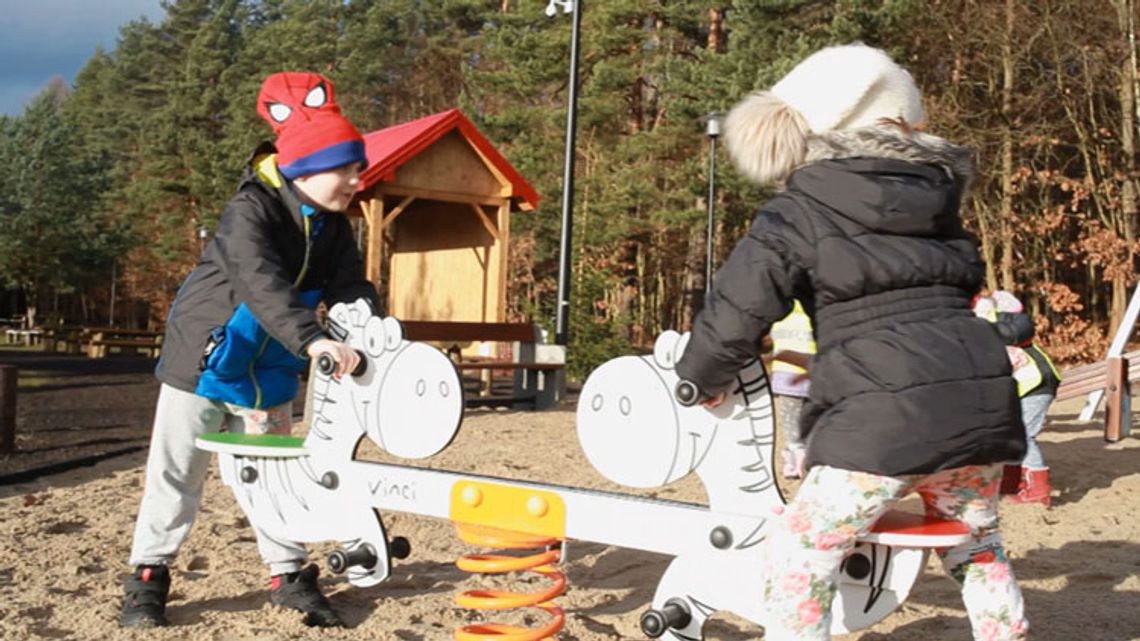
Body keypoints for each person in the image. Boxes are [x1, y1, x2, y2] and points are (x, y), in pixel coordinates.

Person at [674, 44, 1029, 640]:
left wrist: (700, 376)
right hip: (979, 399)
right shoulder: (940, 203)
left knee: (802, 548)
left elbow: (741, 303)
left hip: (882, 413)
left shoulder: (801, 208)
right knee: (976, 543)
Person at [119, 72, 379, 629]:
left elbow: (349, 286)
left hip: (273, 365)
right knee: (176, 471)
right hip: (206, 358)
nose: (358, 179)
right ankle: (149, 573)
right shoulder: (250, 211)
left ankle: (288, 573)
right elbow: (262, 285)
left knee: (274, 470)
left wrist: (373, 328)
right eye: (347, 168)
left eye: (358, 168)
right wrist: (313, 339)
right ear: (305, 167)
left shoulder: (334, 226)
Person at [974, 291, 1061, 505]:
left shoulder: (1000, 332)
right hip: (1028, 384)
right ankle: (1011, 482)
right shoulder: (1004, 332)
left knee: (1025, 435)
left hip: (1037, 384)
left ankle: (1038, 489)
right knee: (1012, 434)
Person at [769, 300, 815, 479]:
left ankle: (795, 459)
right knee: (810, 422)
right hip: (812, 372)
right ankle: (802, 458)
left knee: (790, 425)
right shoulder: (816, 301)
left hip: (787, 374)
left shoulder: (779, 305)